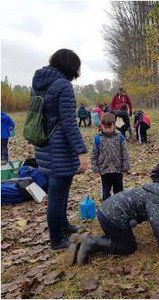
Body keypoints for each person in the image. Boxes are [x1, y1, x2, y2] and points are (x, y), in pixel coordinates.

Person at [32, 48, 88, 250]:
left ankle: (64, 226)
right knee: (57, 196)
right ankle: (57, 240)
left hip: (44, 146)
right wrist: (82, 152)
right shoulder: (63, 86)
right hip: (59, 149)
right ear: (70, 66)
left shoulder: (39, 84)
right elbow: (69, 124)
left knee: (60, 192)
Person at [66, 181, 159, 266]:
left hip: (105, 212)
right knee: (128, 247)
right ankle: (91, 242)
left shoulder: (155, 191)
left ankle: (81, 242)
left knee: (118, 238)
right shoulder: (157, 200)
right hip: (112, 218)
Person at [91, 113, 130, 201]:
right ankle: (106, 209)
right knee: (105, 192)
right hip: (104, 171)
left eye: (110, 127)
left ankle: (120, 207)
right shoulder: (98, 139)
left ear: (114, 125)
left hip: (117, 170)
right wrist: (95, 168)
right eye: (105, 127)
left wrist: (125, 166)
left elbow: (125, 153)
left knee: (119, 192)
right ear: (101, 126)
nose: (108, 130)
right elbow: (94, 155)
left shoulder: (120, 137)